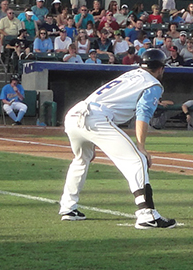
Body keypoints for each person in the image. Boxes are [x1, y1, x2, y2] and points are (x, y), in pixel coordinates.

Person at [58, 50, 176, 229]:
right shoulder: (153, 84)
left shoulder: (131, 74)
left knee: (81, 160)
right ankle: (147, 215)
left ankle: (68, 208)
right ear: (161, 68)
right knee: (137, 160)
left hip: (75, 113)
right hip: (95, 118)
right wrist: (141, 146)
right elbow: (143, 114)